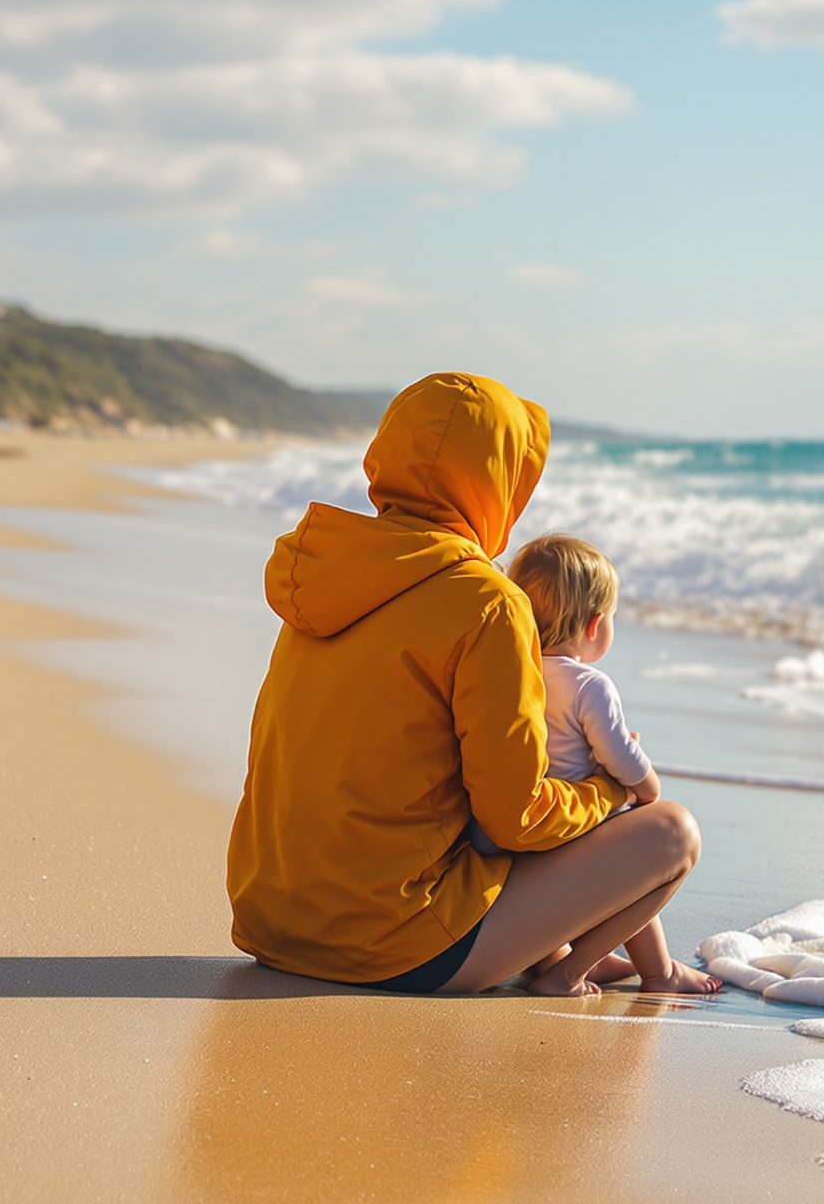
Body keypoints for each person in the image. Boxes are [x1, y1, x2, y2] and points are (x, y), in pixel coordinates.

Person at [226, 372, 704, 998]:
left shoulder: (325, 572)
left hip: (274, 924)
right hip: (394, 946)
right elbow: (518, 820)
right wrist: (605, 790)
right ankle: (569, 965)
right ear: (494, 482)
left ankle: (551, 947)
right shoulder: (487, 603)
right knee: (671, 831)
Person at [501, 533, 720, 995]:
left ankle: (560, 958)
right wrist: (646, 783)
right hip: (569, 829)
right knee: (639, 865)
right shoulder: (589, 685)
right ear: (594, 624)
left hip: (516, 843)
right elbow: (619, 754)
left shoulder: (509, 672)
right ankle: (624, 971)